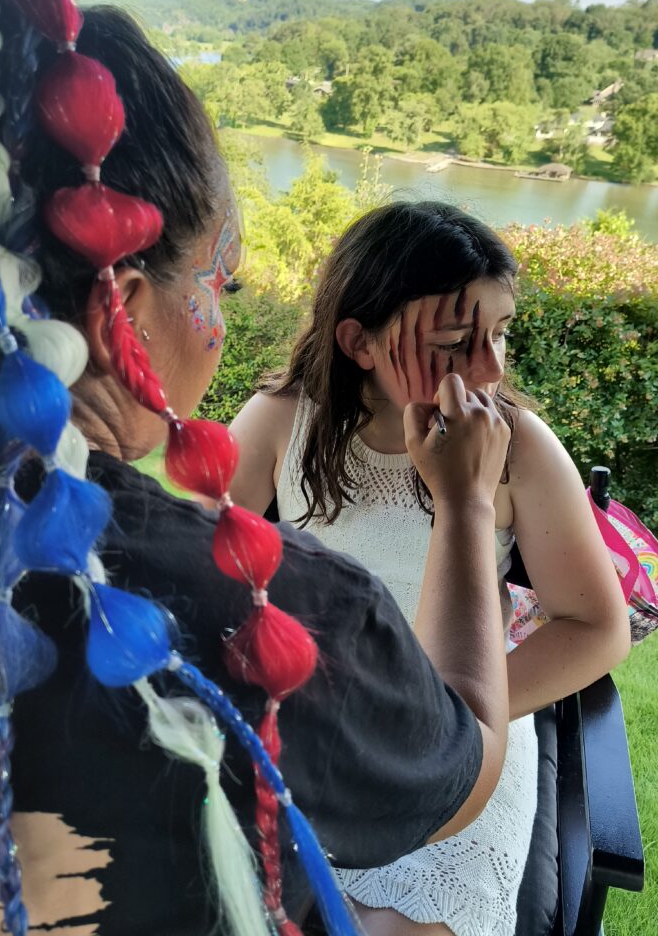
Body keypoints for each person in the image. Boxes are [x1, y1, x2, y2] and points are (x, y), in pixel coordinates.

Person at [0, 0, 511, 936]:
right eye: (221, 281)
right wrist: (470, 504)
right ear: (120, 312)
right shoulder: (271, 623)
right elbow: (468, 765)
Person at [230, 201, 631, 936]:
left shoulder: (516, 446)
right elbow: (205, 565)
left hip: (470, 730)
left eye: (500, 333)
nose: (491, 366)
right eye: (455, 342)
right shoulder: (284, 421)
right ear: (359, 341)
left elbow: (597, 626)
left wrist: (449, 720)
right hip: (318, 719)